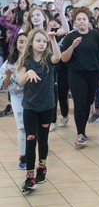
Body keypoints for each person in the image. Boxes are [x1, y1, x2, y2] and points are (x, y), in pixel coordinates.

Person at [61, 7, 99, 147]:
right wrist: (72, 46)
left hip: (93, 73)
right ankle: (80, 133)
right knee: (79, 102)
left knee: (87, 102)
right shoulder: (70, 36)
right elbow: (64, 58)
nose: (81, 21)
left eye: (84, 19)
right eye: (78, 19)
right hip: (76, 74)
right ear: (75, 21)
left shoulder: (96, 35)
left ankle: (82, 131)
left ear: (88, 20)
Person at [16, 28, 61, 191]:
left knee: (43, 139)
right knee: (30, 139)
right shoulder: (26, 61)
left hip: (47, 106)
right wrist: (28, 72)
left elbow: (58, 57)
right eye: (38, 40)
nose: (42, 43)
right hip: (30, 107)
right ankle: (30, 177)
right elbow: (21, 81)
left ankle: (42, 167)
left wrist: (53, 40)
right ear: (31, 43)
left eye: (44, 41)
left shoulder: (49, 58)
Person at [0, 33, 27, 169]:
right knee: (22, 128)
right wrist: (8, 76)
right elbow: (4, 86)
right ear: (16, 44)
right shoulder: (9, 62)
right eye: (20, 41)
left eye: (26, 42)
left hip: (35, 97)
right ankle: (23, 156)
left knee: (35, 129)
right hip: (17, 97)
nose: (23, 44)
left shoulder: (35, 58)